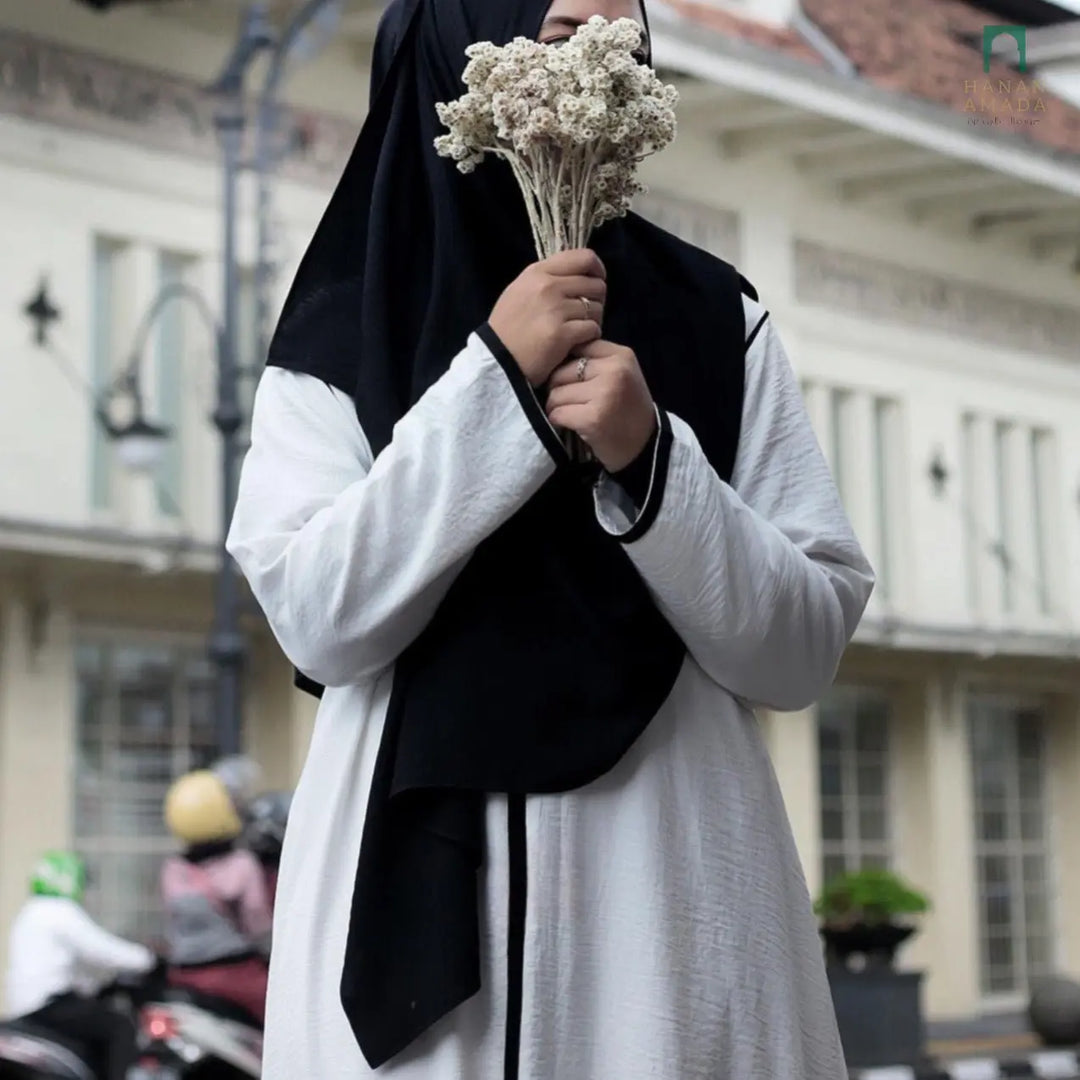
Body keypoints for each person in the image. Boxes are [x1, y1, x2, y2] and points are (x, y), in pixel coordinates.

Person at [225, 0, 875, 1075]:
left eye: (624, 39)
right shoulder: (341, 332)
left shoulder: (719, 320)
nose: (598, 63)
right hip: (412, 905)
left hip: (672, 904)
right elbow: (319, 621)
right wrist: (497, 386)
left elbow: (802, 649)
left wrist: (652, 457)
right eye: (563, 29)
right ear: (461, 42)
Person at [4, 851, 156, 1080]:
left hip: (27, 1005)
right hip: (50, 1005)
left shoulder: (30, 912)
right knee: (120, 1026)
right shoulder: (59, 910)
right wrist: (149, 959)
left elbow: (66, 965)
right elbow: (103, 950)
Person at [160, 770, 273, 1024]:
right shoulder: (242, 863)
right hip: (235, 976)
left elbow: (171, 920)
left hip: (182, 977)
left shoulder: (173, 869)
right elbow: (258, 923)